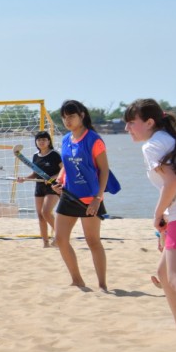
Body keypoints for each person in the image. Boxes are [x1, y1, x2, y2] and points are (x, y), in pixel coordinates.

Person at [125, 99, 176, 343]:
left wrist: (157, 213)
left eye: (132, 123)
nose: (127, 128)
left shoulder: (151, 146)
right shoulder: (171, 139)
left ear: (149, 122)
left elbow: (172, 183)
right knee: (164, 273)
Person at [53, 99, 120, 291]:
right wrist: (59, 180)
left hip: (90, 198)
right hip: (68, 195)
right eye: (64, 117)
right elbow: (66, 164)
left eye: (71, 116)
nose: (68, 121)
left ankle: (102, 285)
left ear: (82, 115)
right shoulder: (66, 139)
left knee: (92, 241)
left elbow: (104, 170)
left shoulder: (94, 139)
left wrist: (98, 198)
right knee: (60, 239)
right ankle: (77, 280)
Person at [17, 131, 62, 248]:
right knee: (40, 215)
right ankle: (46, 242)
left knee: (46, 212)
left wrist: (52, 178)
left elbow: (64, 170)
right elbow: (34, 174)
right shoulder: (35, 156)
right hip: (39, 187)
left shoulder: (54, 155)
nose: (41, 142)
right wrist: (24, 179)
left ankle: (60, 235)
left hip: (53, 187)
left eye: (44, 140)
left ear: (49, 141)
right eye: (39, 140)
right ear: (36, 142)